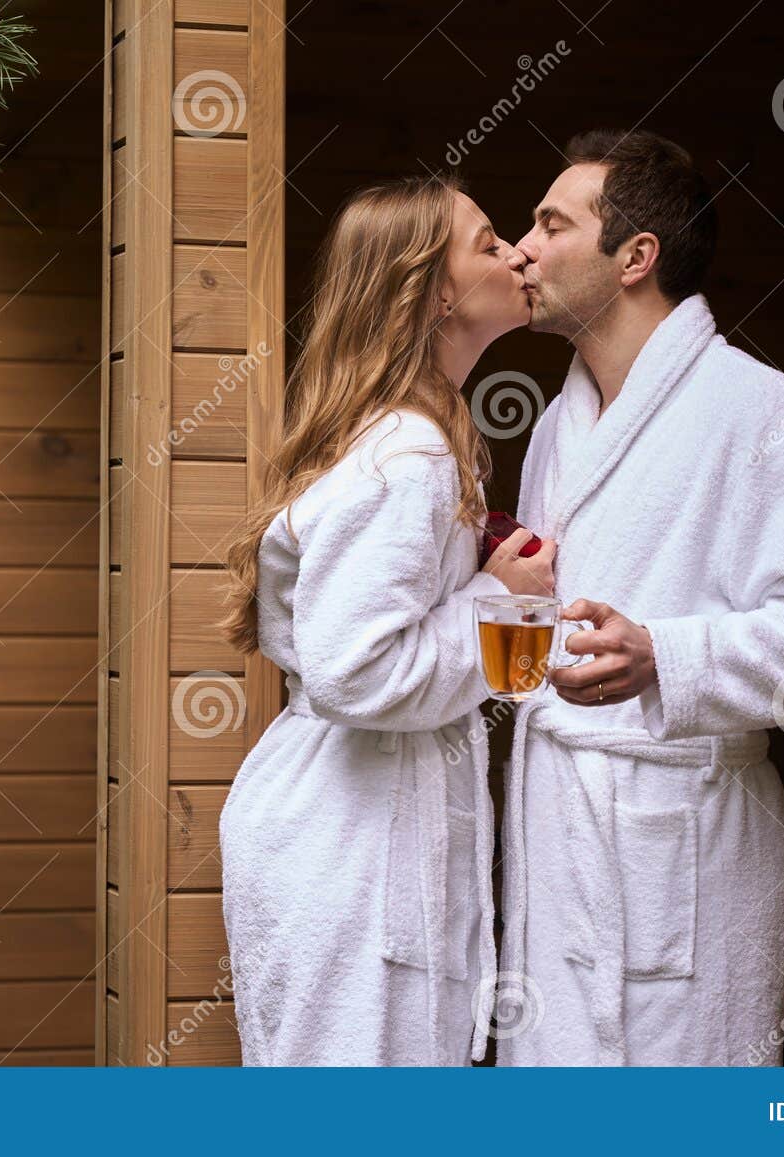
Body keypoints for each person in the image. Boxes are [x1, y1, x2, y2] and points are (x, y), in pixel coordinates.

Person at [497, 129, 784, 1065]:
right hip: (557, 828)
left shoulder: (764, 413)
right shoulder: (558, 426)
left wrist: (666, 655)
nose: (522, 249)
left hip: (683, 851)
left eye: (552, 224)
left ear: (635, 257)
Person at [217, 175, 555, 1065]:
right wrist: (500, 600)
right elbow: (355, 668)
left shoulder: (409, 432)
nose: (516, 251)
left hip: (350, 827)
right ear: (436, 290)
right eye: (488, 242)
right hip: (349, 846)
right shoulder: (410, 452)